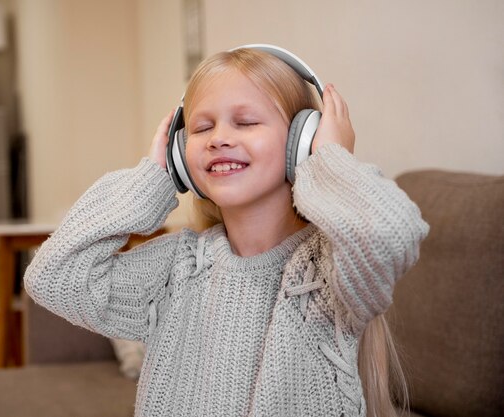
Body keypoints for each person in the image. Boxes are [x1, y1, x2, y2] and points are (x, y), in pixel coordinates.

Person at [24, 46, 429, 417]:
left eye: (246, 121)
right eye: (201, 128)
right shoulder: (177, 269)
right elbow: (53, 277)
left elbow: (389, 235)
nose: (219, 139)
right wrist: (153, 181)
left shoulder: (328, 272)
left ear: (301, 141)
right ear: (179, 155)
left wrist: (328, 162)